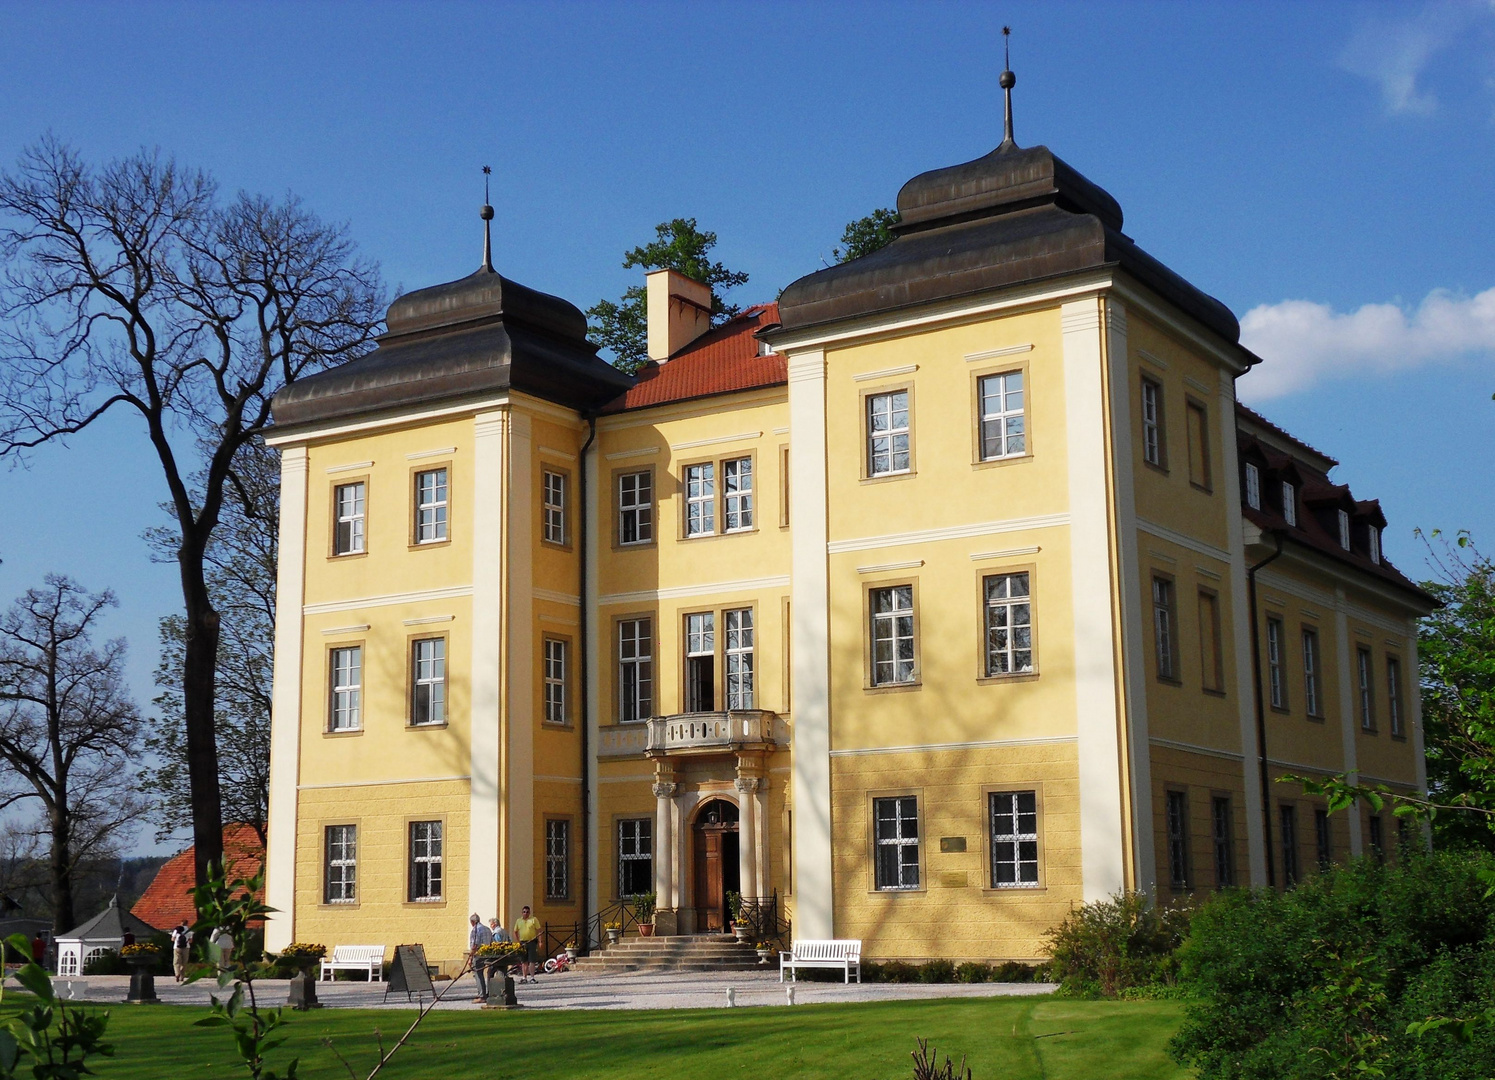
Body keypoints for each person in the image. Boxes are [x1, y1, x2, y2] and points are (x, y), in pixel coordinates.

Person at [466, 913, 492, 1002]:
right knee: (489, 974)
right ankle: (488, 993)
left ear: (473, 922)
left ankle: (482, 995)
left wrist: (470, 958)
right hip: (488, 954)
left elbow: (475, 945)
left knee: (478, 973)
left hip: (479, 954)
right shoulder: (487, 929)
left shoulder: (475, 930)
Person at [513, 905, 541, 984]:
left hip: (531, 941)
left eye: (527, 912)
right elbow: (515, 931)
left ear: (529, 913)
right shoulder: (519, 921)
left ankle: (532, 977)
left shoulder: (533, 920)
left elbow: (539, 930)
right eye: (524, 912)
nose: (525, 913)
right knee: (524, 961)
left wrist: (540, 941)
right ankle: (524, 977)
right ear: (522, 913)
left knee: (532, 960)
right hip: (523, 942)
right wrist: (518, 941)